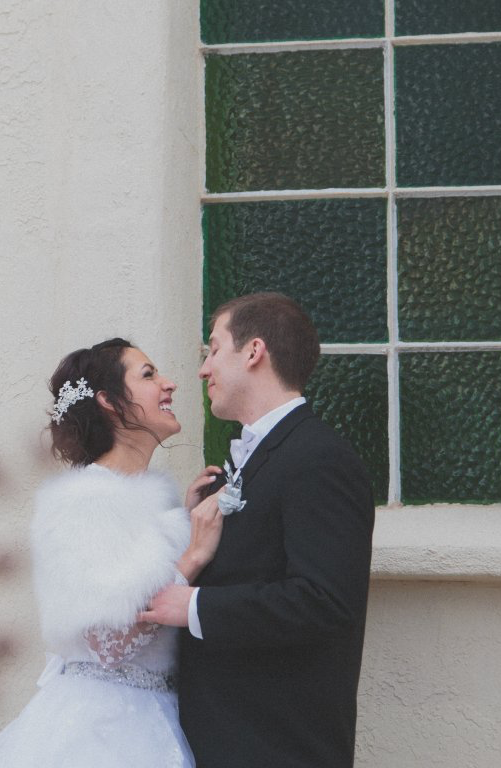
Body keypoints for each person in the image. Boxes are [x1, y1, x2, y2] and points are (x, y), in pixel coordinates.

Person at [138, 292, 376, 768]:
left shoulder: (320, 459)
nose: (203, 370)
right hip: (223, 739)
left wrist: (197, 606)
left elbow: (325, 600)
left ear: (253, 352)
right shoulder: (255, 461)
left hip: (277, 745)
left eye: (213, 348)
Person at [0, 338, 226, 768]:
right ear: (109, 401)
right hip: (107, 731)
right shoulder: (84, 500)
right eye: (148, 375)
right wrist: (193, 557)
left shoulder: (142, 498)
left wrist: (181, 522)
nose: (169, 385)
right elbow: (109, 643)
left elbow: (137, 567)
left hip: (156, 716)